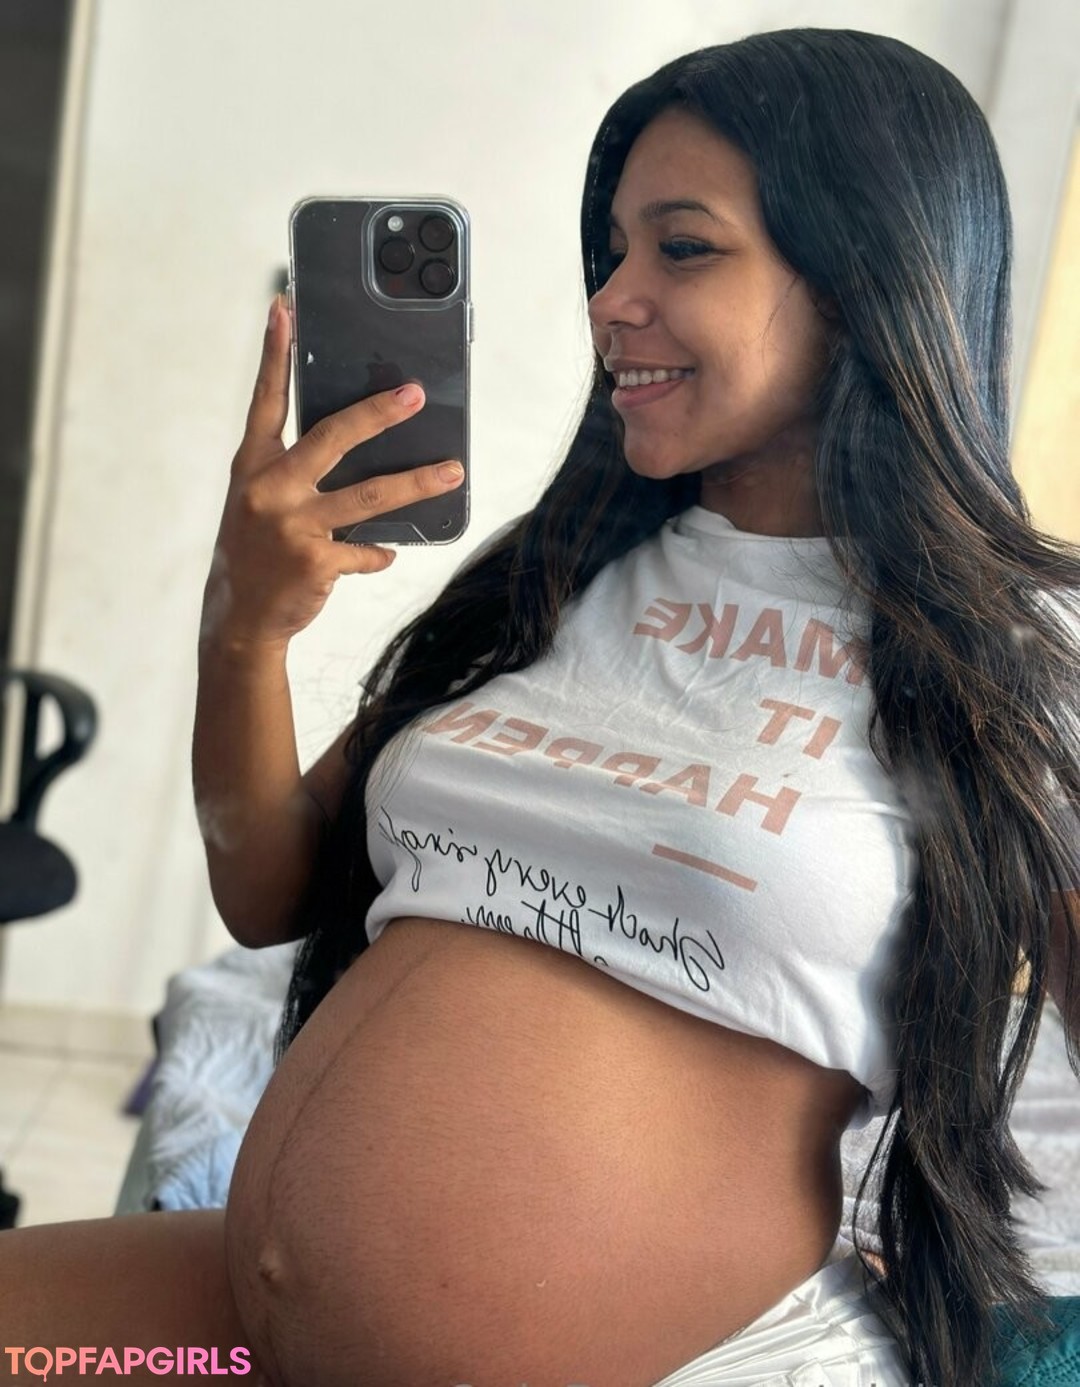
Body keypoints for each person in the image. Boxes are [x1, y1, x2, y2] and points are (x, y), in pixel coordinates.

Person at [2, 25, 1078, 1387]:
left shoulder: (1016, 648)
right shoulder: (560, 577)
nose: (612, 300)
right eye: (612, 253)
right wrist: (245, 626)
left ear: (867, 275)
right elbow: (269, 891)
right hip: (246, 1331)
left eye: (681, 248)